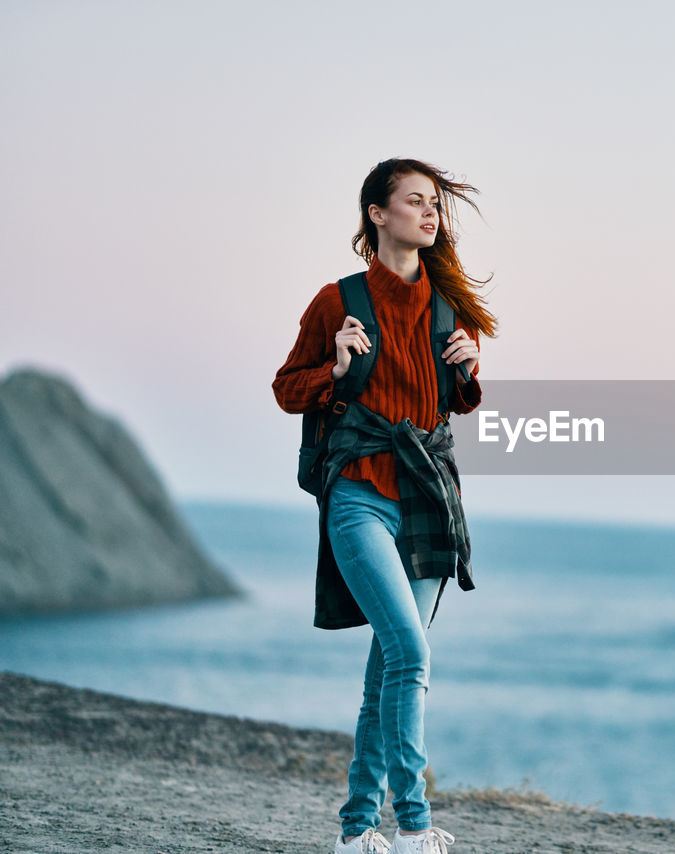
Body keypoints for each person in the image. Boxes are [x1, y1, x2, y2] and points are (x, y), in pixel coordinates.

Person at [273, 158, 498, 854]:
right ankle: (415, 826)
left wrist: (467, 367)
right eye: (414, 201)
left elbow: (451, 404)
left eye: (435, 204)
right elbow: (287, 388)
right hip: (359, 496)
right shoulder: (335, 301)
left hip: (428, 499)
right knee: (409, 651)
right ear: (377, 213)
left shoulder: (450, 309)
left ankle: (354, 833)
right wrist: (335, 368)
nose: (430, 214)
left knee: (388, 672)